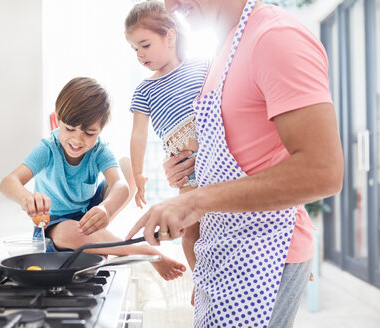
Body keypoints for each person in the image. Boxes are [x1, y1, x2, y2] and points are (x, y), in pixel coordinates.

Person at [126, 0, 344, 327]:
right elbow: (233, 148)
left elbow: (323, 171)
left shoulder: (274, 37)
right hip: (223, 254)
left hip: (263, 257)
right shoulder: (224, 51)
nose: (170, 6)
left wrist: (194, 200)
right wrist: (183, 172)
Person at [0, 77, 186, 281]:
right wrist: (26, 198)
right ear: (57, 121)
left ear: (101, 129)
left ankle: (97, 238)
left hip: (89, 214)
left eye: (89, 133)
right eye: (69, 129)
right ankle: (141, 251)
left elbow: (120, 185)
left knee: (127, 166)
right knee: (69, 232)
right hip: (56, 225)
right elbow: (8, 182)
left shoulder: (99, 150)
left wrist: (105, 209)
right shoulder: (48, 149)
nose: (77, 140)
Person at [125, 0, 208, 280]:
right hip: (184, 167)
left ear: (170, 36)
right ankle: (201, 281)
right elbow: (139, 134)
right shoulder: (144, 89)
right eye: (134, 48)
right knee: (193, 230)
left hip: (215, 158)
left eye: (145, 45)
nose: (139, 54)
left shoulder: (202, 65)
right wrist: (138, 174)